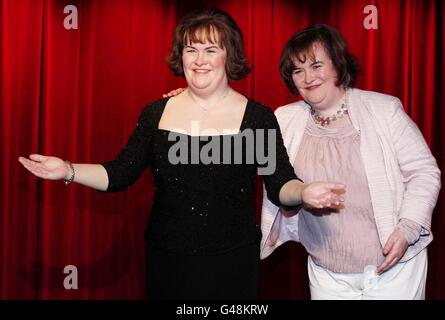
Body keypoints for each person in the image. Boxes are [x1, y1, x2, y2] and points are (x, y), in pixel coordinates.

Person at [18, 10, 345, 300]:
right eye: (191, 49)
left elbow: (280, 185)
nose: (199, 59)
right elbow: (119, 173)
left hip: (232, 262)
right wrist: (68, 170)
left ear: (228, 56)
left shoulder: (256, 118)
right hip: (167, 260)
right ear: (181, 56)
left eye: (210, 49)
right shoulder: (156, 113)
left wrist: (302, 191)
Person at [261, 24, 441, 300]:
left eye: (317, 65)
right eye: (298, 70)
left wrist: (407, 229)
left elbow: (424, 172)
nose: (308, 77)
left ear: (338, 64)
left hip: (394, 270)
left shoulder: (384, 109)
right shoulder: (284, 119)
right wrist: (190, 101)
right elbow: (246, 146)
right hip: (326, 272)